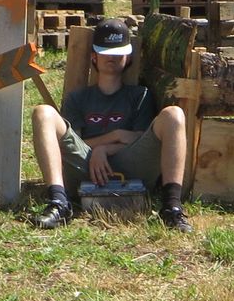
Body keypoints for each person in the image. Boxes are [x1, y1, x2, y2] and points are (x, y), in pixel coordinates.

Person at [31, 18, 190, 231]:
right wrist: (111, 139)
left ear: (128, 57)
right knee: (43, 113)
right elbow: (74, 143)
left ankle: (171, 207)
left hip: (131, 164)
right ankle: (59, 202)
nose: (112, 57)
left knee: (174, 115)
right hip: (86, 163)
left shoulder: (140, 96)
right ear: (94, 57)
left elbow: (137, 138)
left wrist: (105, 149)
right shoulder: (78, 98)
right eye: (105, 52)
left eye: (118, 53)